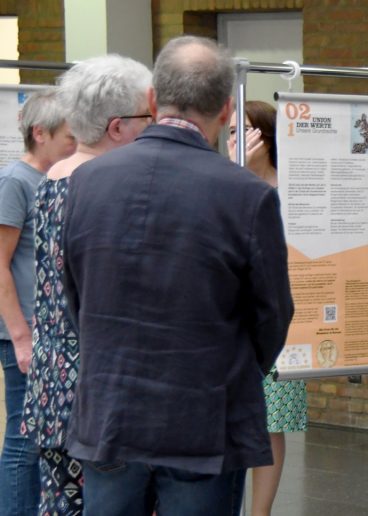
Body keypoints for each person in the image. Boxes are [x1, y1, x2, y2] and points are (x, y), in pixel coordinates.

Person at [61, 36, 294, 514]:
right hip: (205, 416)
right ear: (228, 110)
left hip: (111, 412)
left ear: (151, 99)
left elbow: (75, 293)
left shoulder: (87, 181)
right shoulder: (246, 195)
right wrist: (237, 369)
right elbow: (272, 314)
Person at [19, 54, 151, 516]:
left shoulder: (52, 181)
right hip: (98, 389)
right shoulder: (104, 187)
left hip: (55, 380)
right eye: (147, 118)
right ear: (117, 127)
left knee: (62, 505)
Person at [227, 99, 307, 516]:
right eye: (232, 132)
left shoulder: (287, 190)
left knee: (271, 423)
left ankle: (260, 512)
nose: (234, 140)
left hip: (277, 321)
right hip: (228, 324)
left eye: (243, 131)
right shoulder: (226, 184)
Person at [0, 88, 75, 516]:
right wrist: (20, 335)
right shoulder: (15, 181)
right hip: (23, 336)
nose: (74, 143)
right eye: (69, 135)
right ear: (40, 133)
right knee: (23, 442)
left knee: (40, 439)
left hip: (47, 333)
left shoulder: (54, 180)